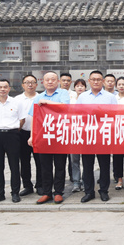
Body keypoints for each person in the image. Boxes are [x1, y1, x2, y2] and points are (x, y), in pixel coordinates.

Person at [27, 72, 71, 204]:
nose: (50, 82)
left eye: (53, 79)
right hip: (44, 136)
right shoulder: (38, 97)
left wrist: (47, 102)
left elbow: (65, 107)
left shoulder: (63, 93)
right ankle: (47, 192)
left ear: (57, 81)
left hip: (60, 135)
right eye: (47, 80)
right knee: (45, 166)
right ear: (43, 82)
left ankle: (58, 192)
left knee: (60, 165)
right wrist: (32, 136)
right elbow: (34, 118)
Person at [76, 70, 118, 202]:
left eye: (99, 79)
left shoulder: (110, 97)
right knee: (87, 165)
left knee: (104, 165)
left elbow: (115, 115)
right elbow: (77, 114)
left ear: (103, 81)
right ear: (89, 81)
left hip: (103, 135)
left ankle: (104, 191)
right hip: (87, 135)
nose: (96, 82)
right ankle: (89, 192)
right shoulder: (82, 97)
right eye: (93, 79)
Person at [15, 74, 40, 197]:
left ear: (36, 84)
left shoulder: (41, 97)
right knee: (24, 161)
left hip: (39, 133)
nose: (30, 84)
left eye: (32, 82)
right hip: (22, 132)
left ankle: (40, 185)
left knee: (40, 161)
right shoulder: (17, 100)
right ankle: (27, 185)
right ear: (23, 85)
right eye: (27, 82)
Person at [69, 79, 86, 192]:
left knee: (86, 159)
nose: (80, 88)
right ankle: (76, 181)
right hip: (73, 132)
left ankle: (85, 180)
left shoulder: (88, 99)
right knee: (74, 159)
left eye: (82, 86)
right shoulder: (70, 100)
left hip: (86, 132)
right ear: (74, 88)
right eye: (77, 86)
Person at [113, 76, 124, 190]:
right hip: (116, 130)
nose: (121, 86)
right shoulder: (113, 98)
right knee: (117, 157)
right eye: (119, 84)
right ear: (116, 86)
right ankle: (119, 179)